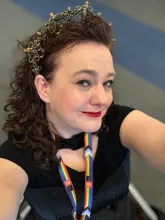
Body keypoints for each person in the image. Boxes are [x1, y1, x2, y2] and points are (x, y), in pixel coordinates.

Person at [0, 2, 165, 220]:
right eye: (84, 82)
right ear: (44, 87)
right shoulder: (15, 159)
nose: (102, 99)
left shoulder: (117, 122)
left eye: (107, 83)